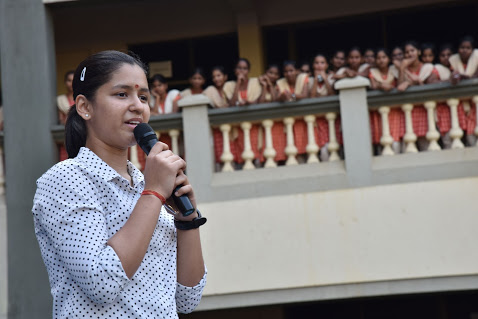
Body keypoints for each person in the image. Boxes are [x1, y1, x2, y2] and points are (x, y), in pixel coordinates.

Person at [32, 50, 206, 318]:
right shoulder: (66, 179)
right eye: (122, 94)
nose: (138, 105)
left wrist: (187, 219)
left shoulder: (144, 185)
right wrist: (154, 193)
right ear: (84, 107)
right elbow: (102, 282)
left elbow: (187, 298)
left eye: (144, 96)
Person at [397, 41, 440, 151]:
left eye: (412, 51)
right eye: (406, 52)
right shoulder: (404, 68)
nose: (409, 54)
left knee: (426, 145)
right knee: (409, 148)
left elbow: (429, 85)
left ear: (419, 52)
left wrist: (409, 83)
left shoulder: (427, 67)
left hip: (424, 111)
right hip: (407, 111)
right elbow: (399, 87)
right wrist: (402, 69)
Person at [368, 49, 404, 154]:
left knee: (395, 142)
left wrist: (401, 69)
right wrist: (381, 85)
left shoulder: (394, 70)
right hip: (379, 112)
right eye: (378, 58)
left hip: (394, 110)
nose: (381, 60)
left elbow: (401, 83)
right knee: (381, 141)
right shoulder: (373, 72)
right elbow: (374, 86)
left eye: (384, 57)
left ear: (389, 59)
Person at [448, 36, 478, 146]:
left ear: (473, 49)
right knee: (469, 137)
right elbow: (452, 77)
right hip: (463, 105)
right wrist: (454, 78)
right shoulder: (454, 61)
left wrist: (465, 77)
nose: (464, 50)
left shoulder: (477, 57)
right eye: (462, 47)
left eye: (468, 48)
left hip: (475, 103)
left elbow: (475, 77)